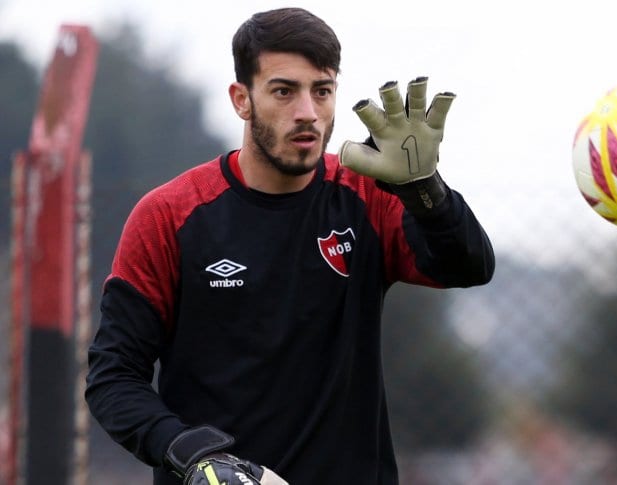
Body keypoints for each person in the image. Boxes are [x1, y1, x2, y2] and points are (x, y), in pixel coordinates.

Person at [85, 6, 495, 485]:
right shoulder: (170, 216)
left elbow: (467, 266)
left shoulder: (366, 195)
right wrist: (188, 453)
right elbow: (113, 377)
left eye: (322, 91)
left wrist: (426, 190)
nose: (308, 112)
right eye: (284, 91)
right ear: (242, 99)